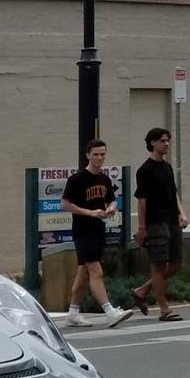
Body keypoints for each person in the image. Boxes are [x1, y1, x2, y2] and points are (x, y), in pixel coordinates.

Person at [59, 141, 134, 329]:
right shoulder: (77, 179)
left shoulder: (104, 179)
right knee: (96, 271)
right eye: (96, 154)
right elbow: (65, 204)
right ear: (88, 155)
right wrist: (89, 212)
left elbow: (112, 200)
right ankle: (110, 312)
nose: (99, 158)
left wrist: (110, 208)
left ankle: (73, 313)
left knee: (84, 273)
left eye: (102, 154)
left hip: (99, 230)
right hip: (83, 231)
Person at [130, 125, 186, 322]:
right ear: (153, 143)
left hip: (171, 220)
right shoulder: (145, 170)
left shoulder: (167, 167)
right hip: (155, 222)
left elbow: (174, 193)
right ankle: (164, 309)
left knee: (177, 263)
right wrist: (142, 227)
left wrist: (181, 213)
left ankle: (142, 290)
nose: (166, 144)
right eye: (162, 140)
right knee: (158, 266)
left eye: (168, 140)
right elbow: (142, 200)